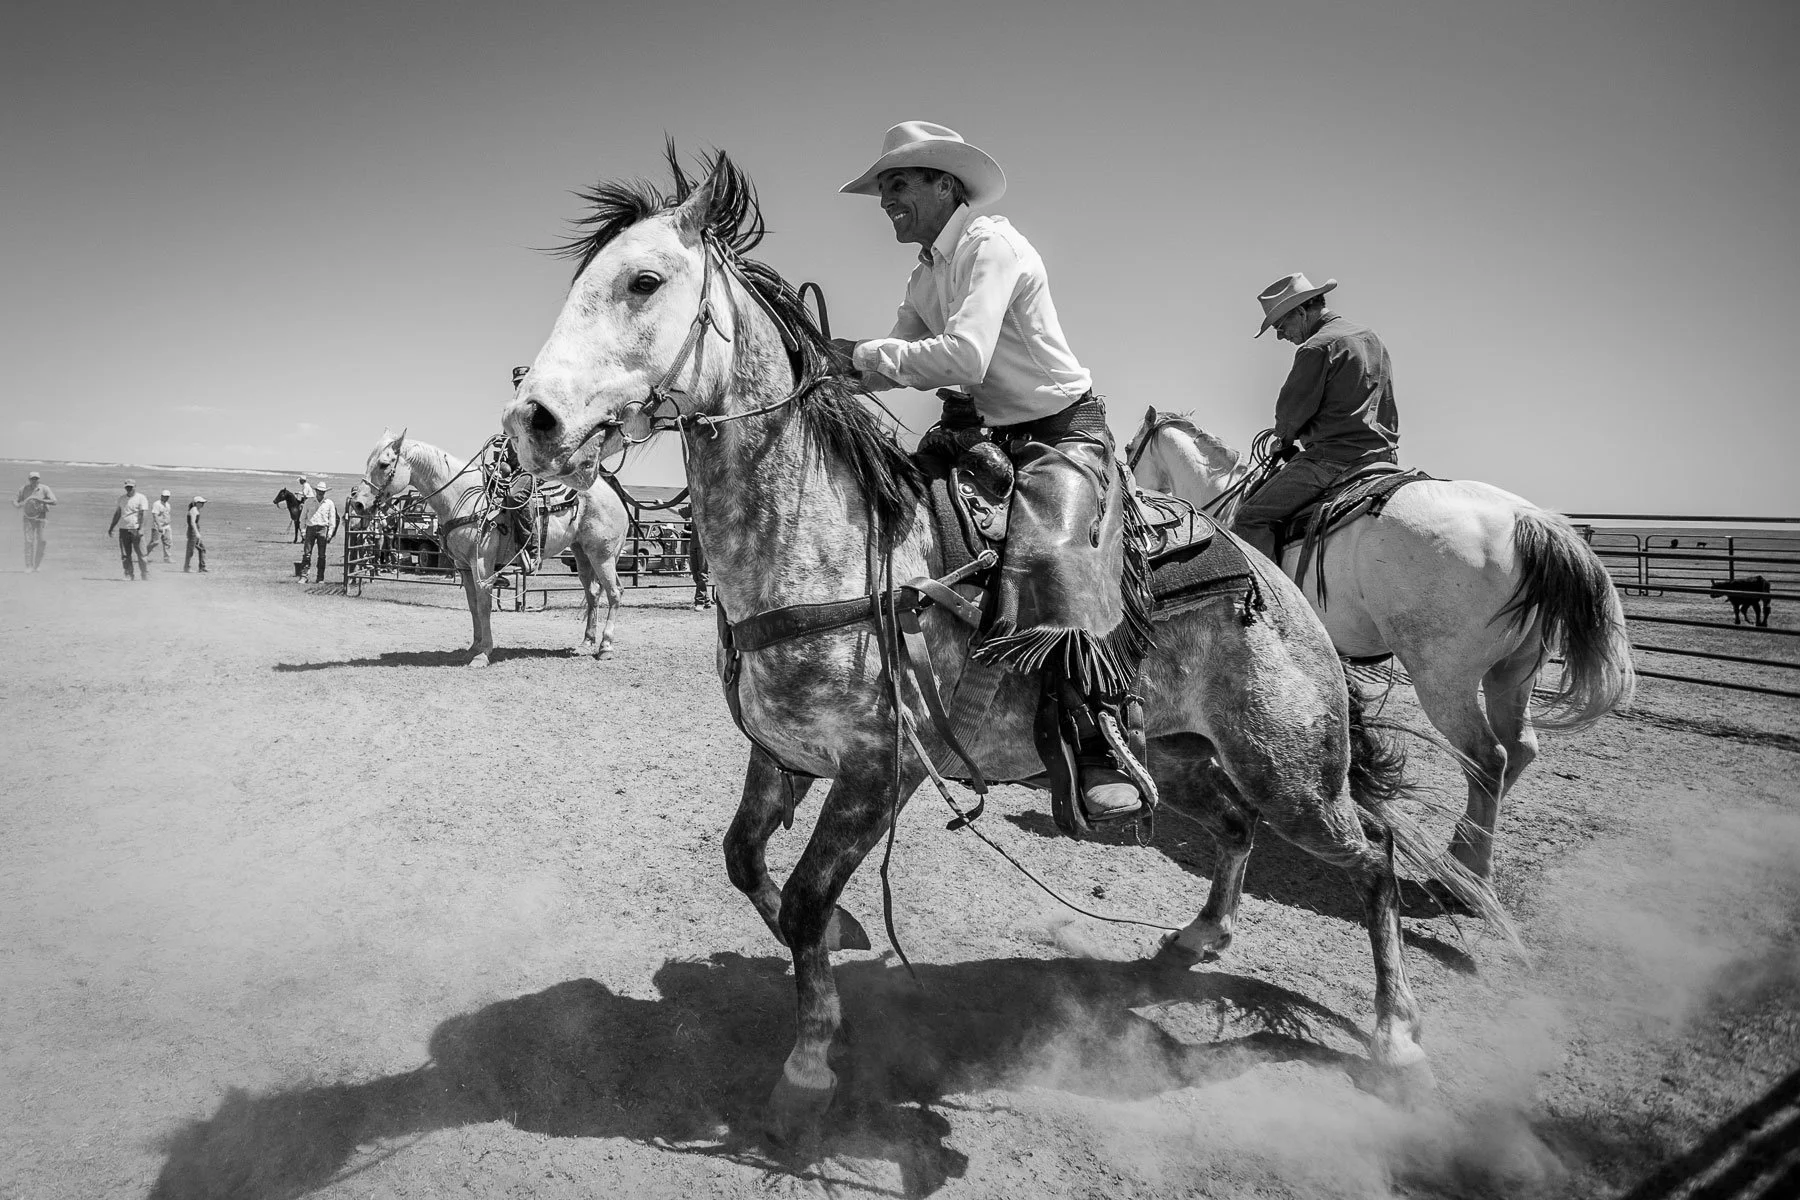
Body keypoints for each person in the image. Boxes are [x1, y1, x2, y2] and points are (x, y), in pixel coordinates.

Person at [831, 121, 1149, 822]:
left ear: (946, 184)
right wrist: (827, 376)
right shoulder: (925, 274)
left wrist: (862, 356)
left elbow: (964, 358)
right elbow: (898, 358)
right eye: (883, 188)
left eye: (898, 183)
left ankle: (1100, 737)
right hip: (990, 432)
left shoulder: (991, 247)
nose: (886, 200)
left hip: (1064, 433)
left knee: (1051, 557)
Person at [1232, 273, 1400, 560]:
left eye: (1281, 325)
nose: (1280, 335)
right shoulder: (1371, 338)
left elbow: (1292, 411)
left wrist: (1283, 440)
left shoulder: (1316, 347)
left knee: (1250, 517)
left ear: (1300, 312)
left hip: (1331, 460)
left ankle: (1268, 601)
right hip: (1384, 457)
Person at [106, 479, 152, 580]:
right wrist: (111, 527)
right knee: (125, 555)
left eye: (131, 487)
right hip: (123, 529)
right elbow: (118, 514)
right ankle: (128, 574)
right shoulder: (121, 499)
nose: (129, 488)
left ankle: (145, 573)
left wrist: (142, 528)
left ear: (135, 487)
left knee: (142, 554)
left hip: (136, 529)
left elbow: (144, 514)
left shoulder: (141, 498)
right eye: (127, 487)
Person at [14, 469, 56, 571]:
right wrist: (17, 505)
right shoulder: (23, 489)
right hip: (28, 518)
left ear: (39, 480)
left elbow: (54, 501)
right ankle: (29, 566)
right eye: (32, 479)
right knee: (29, 541)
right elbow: (15, 500)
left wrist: (40, 500)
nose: (34, 481)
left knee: (42, 541)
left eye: (36, 479)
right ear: (29, 479)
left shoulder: (45, 489)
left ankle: (37, 565)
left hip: (41, 517)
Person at [298, 479, 337, 583]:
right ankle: (304, 576)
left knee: (322, 555)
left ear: (324, 492)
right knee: (307, 554)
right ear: (316, 491)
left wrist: (330, 533)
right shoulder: (309, 501)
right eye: (319, 491)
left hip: (323, 529)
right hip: (310, 528)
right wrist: (303, 531)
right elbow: (302, 517)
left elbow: (332, 519)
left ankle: (320, 578)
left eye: (322, 491)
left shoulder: (329, 503)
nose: (320, 493)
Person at [679, 500, 711, 610]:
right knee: (695, 572)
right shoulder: (693, 505)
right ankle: (706, 600)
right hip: (694, 542)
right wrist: (661, 505)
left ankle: (700, 602)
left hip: (705, 543)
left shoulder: (711, 504)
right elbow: (680, 513)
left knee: (702, 572)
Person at [145, 489, 175, 563]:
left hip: (167, 526)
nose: (166, 498)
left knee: (168, 542)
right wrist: (159, 526)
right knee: (155, 542)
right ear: (161, 496)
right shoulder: (157, 504)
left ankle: (167, 558)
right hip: (157, 526)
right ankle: (144, 555)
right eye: (164, 496)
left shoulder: (168, 505)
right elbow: (155, 515)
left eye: (167, 496)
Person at [184, 497, 209, 573]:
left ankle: (202, 567)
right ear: (196, 503)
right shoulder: (193, 510)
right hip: (193, 533)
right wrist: (197, 533)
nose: (202, 504)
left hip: (195, 532)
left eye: (203, 503)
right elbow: (192, 522)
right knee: (190, 551)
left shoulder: (195, 510)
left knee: (202, 549)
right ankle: (187, 567)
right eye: (201, 503)